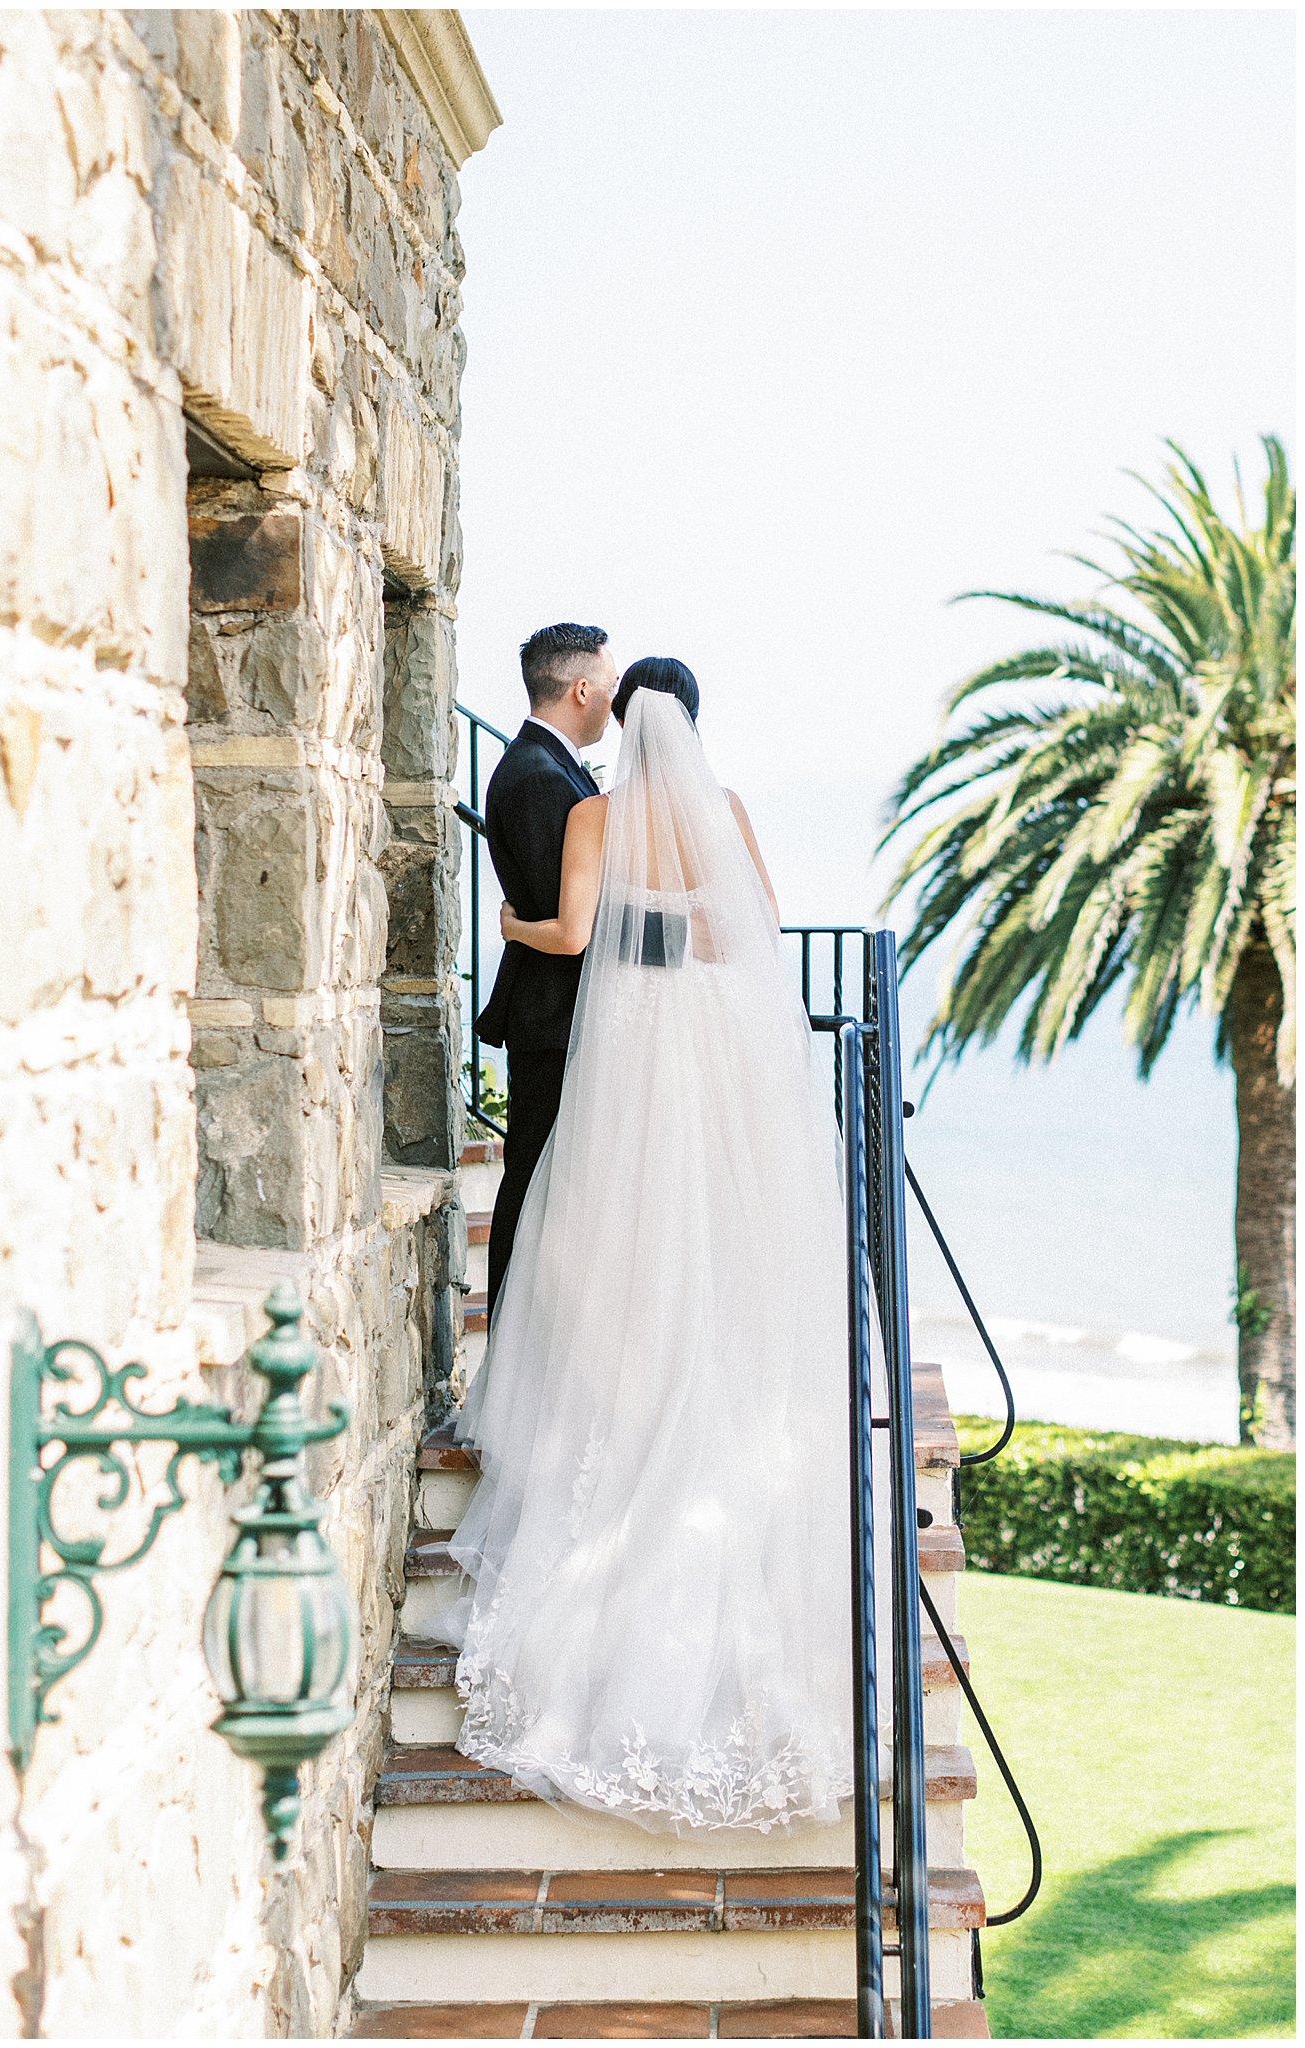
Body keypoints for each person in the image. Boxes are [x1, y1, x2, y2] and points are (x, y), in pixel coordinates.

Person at [434, 657, 891, 1836]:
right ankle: (723, 1386)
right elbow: (759, 929)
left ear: (621, 714)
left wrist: (509, 919)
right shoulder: (725, 810)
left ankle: (623, 1402)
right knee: (722, 1228)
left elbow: (576, 933)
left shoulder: (593, 811)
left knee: (613, 1233)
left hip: (634, 1047)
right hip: (717, 1041)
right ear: (690, 721)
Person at [475, 623, 619, 1321]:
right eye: (612, 685)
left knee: (553, 1183)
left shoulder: (550, 767)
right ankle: (510, 1342)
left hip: (562, 1008)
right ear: (583, 688)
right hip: (552, 1012)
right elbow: (564, 915)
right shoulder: (535, 776)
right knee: (532, 1181)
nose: (616, 702)